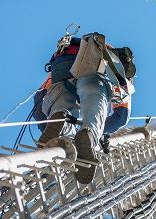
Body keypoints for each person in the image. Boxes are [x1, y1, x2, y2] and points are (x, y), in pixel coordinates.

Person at [36, 32, 134, 185]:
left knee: (60, 108)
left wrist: (47, 126)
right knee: (94, 103)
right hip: (97, 71)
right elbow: (121, 117)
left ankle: (63, 122)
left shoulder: (71, 49)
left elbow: (38, 101)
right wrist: (98, 130)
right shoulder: (116, 65)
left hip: (61, 66)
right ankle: (88, 134)